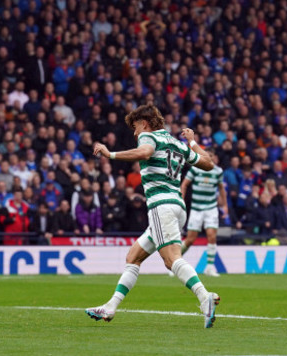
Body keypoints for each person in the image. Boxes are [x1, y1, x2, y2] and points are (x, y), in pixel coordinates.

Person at [86, 104, 220, 328]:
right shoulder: (177, 143)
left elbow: (145, 151)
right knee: (133, 257)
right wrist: (193, 142)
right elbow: (208, 163)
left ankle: (204, 297)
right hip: (177, 206)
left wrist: (111, 154)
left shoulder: (149, 137)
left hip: (161, 205)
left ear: (145, 124)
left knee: (171, 260)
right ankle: (110, 307)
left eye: (136, 127)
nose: (135, 133)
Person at [180, 149, 227, 276]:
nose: (209, 157)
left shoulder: (218, 171)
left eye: (211, 155)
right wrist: (181, 199)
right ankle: (175, 261)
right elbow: (184, 185)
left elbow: (222, 189)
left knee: (212, 236)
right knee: (190, 239)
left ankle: (210, 268)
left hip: (211, 208)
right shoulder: (195, 169)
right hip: (196, 209)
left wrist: (225, 205)